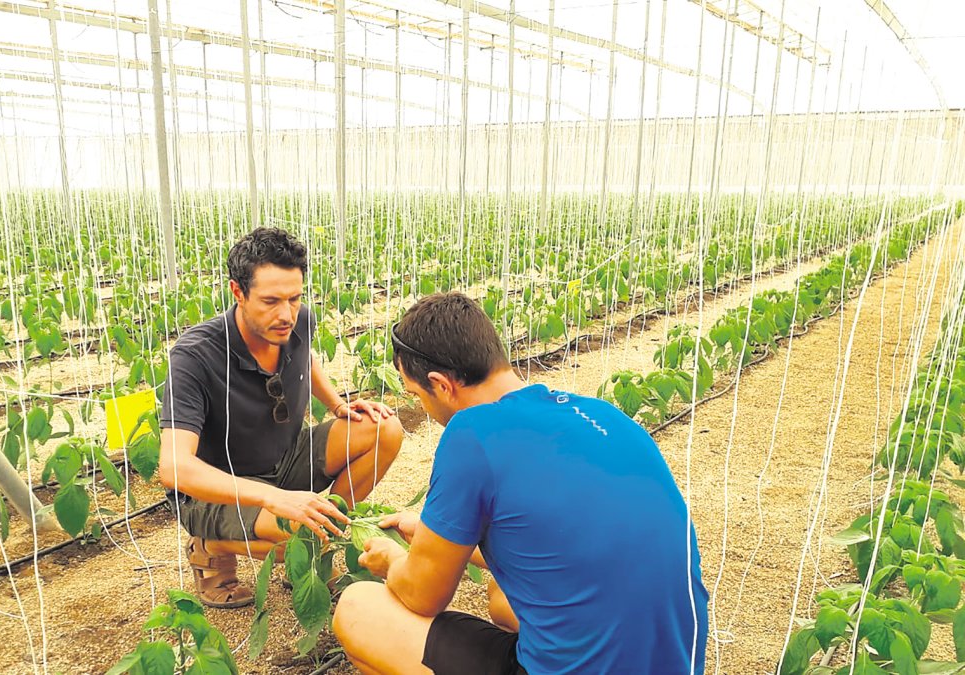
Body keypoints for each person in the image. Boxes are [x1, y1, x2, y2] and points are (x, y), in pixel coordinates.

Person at [332, 292, 709, 674]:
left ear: (441, 385)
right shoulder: (604, 415)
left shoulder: (472, 433)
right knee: (502, 600)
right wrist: (432, 534)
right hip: (676, 662)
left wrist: (393, 560)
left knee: (358, 608)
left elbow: (422, 594)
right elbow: (554, 543)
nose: (424, 409)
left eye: (417, 395)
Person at [158, 227, 404, 609]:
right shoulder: (194, 356)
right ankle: (211, 546)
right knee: (294, 526)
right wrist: (275, 500)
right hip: (218, 492)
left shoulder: (296, 320)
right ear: (237, 292)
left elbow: (307, 354)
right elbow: (175, 469)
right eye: (271, 301)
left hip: (283, 459)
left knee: (385, 428)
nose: (286, 314)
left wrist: (339, 404)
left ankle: (316, 536)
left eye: (294, 298)